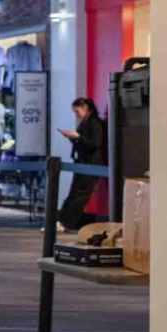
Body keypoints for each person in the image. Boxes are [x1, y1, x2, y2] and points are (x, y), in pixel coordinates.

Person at [58, 96, 107, 231]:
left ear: (85, 108)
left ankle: (66, 222)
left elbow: (95, 143)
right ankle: (61, 220)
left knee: (79, 196)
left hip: (90, 165)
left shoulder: (94, 123)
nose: (76, 115)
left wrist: (78, 137)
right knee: (74, 194)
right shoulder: (86, 122)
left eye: (77, 111)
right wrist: (73, 138)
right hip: (83, 163)